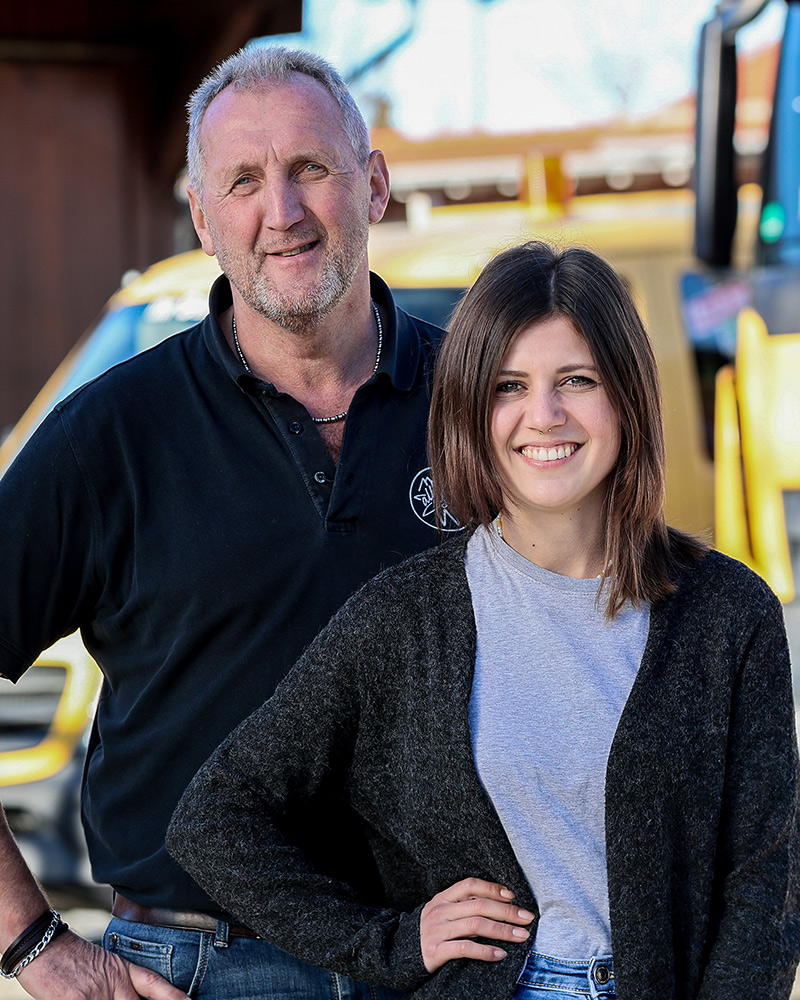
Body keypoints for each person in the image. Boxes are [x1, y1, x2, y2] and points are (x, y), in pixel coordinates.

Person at [167, 240, 800, 1000]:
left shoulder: (729, 616)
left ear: (628, 397)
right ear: (471, 408)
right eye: (509, 386)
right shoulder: (403, 621)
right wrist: (388, 941)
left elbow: (765, 880)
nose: (545, 416)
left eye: (577, 380)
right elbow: (216, 816)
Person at [0, 45, 444, 1000]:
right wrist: (33, 947)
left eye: (310, 169)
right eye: (242, 181)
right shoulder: (109, 437)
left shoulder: (480, 410)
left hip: (444, 960)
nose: (279, 212)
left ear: (373, 184)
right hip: (200, 972)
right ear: (202, 219)